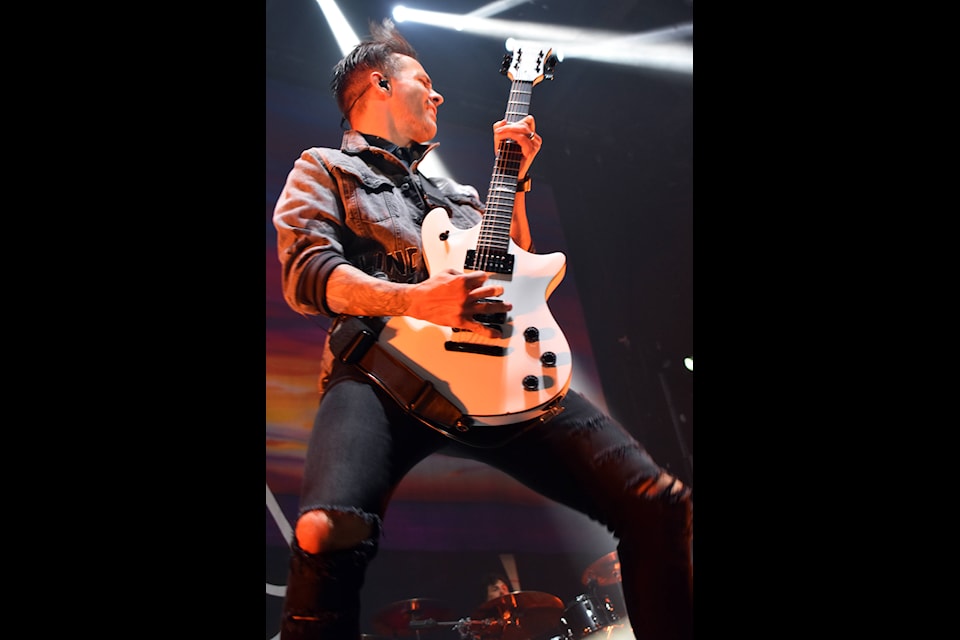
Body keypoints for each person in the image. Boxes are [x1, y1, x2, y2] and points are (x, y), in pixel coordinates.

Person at [272, 18, 693, 640]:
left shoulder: (460, 193)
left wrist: (515, 174)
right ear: (378, 85)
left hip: (503, 370)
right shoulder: (324, 167)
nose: (439, 95)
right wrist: (419, 300)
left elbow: (514, 255)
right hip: (380, 373)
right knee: (328, 529)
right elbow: (308, 275)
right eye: (426, 80)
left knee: (661, 505)